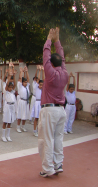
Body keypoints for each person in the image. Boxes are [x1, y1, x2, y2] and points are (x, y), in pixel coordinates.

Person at [38, 27, 68, 177]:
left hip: (49, 110)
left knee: (47, 139)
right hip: (61, 110)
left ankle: (48, 168)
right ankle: (58, 164)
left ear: (51, 63)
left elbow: (45, 55)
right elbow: (61, 57)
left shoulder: (50, 74)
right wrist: (57, 41)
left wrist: (49, 40)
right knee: (58, 138)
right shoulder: (64, 73)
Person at [2, 67, 16, 142]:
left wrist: (13, 75)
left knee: (10, 122)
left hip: (12, 107)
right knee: (5, 121)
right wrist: (9, 75)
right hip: (7, 106)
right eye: (9, 87)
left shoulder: (12, 92)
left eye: (11, 87)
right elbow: (7, 84)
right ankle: (3, 135)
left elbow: (15, 83)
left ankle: (8, 135)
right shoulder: (6, 92)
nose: (10, 88)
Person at [30, 65, 45, 137]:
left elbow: (44, 79)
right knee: (36, 117)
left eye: (42, 85)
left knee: (41, 118)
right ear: (38, 84)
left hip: (42, 103)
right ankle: (34, 130)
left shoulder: (43, 89)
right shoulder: (36, 87)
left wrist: (43, 70)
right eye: (40, 84)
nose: (41, 86)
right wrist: (39, 70)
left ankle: (40, 130)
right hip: (37, 102)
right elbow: (38, 79)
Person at [16, 66, 30, 133]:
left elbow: (28, 79)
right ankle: (18, 127)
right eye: (24, 82)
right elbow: (20, 79)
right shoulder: (20, 86)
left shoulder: (27, 87)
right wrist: (21, 72)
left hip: (26, 102)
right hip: (21, 101)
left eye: (26, 82)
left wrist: (26, 71)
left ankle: (23, 126)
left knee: (25, 114)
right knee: (20, 114)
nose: (26, 83)